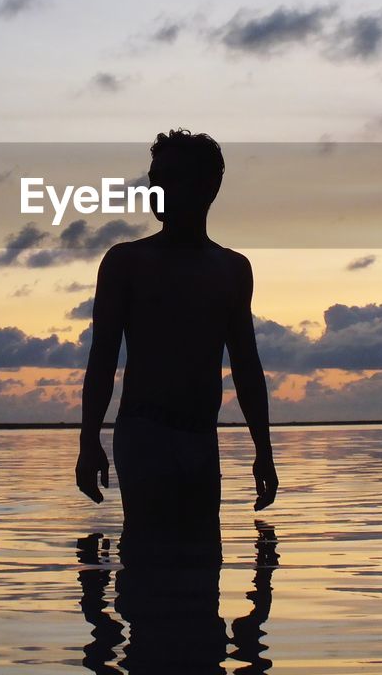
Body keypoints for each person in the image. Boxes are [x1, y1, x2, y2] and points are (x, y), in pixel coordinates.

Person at [75, 128, 278, 546]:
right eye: (155, 179)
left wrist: (264, 450)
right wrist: (88, 440)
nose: (157, 189)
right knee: (147, 562)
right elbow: (102, 357)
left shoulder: (232, 269)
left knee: (204, 568)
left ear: (209, 187)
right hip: (144, 434)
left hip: (202, 437)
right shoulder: (126, 263)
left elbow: (246, 364)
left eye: (170, 178)